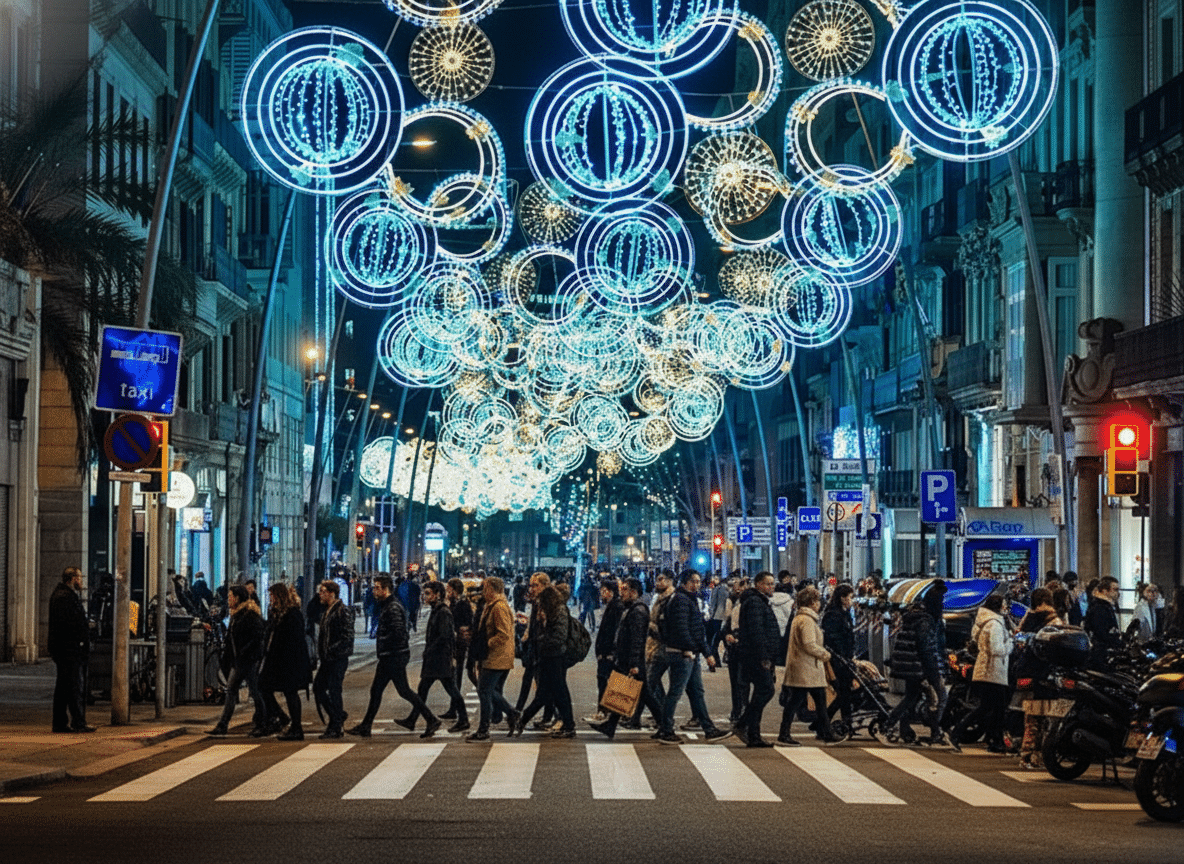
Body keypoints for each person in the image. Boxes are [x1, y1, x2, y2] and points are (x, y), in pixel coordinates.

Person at [348, 576, 439, 738]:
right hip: (391, 655)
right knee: (382, 691)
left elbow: (398, 632)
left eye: (376, 587)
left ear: (385, 589)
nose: (373, 590)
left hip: (393, 656)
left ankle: (431, 719)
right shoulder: (388, 605)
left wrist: (384, 642)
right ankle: (366, 725)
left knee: (400, 691)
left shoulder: (393, 607)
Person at [589, 578, 667, 739]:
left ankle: (666, 727)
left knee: (646, 696)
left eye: (624, 589)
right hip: (626, 659)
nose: (621, 593)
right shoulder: (631, 608)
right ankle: (610, 725)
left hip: (632, 661)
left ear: (633, 592)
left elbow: (637, 639)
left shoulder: (638, 610)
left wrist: (634, 663)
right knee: (625, 692)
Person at [652, 570, 719, 744]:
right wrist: (689, 649)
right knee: (675, 692)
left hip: (690, 653)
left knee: (697, 692)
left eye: (698, 581)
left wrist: (706, 653)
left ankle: (709, 729)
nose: (696, 585)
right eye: (693, 582)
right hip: (682, 654)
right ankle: (666, 729)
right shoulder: (681, 600)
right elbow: (682, 630)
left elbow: (697, 630)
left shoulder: (688, 599)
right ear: (683, 583)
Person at [394, 581, 469, 734]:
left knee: (451, 690)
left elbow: (444, 636)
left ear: (438, 595)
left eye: (428, 593)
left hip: (439, 659)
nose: (424, 596)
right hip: (436, 658)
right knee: (424, 689)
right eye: (424, 593)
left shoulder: (443, 612)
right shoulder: (437, 610)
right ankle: (414, 719)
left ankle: (461, 720)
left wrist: (430, 651)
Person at [951, 594, 1013, 753]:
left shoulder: (983, 621)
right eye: (1004, 605)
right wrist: (1010, 644)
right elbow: (996, 649)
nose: (1005, 608)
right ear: (998, 606)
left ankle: (993, 740)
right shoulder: (994, 624)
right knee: (994, 709)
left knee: (987, 707)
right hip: (993, 671)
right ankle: (958, 733)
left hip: (985, 669)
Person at [512, 585, 576, 738]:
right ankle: (522, 721)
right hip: (548, 657)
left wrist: (541, 638)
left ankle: (569, 726)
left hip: (555, 657)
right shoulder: (552, 611)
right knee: (544, 694)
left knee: (559, 693)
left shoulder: (559, 611)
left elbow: (558, 637)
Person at [777, 586, 836, 746]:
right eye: (817, 601)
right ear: (812, 602)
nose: (819, 604)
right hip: (807, 668)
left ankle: (826, 732)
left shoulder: (800, 618)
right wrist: (825, 654)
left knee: (818, 702)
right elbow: (809, 644)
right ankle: (785, 733)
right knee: (799, 702)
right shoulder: (807, 620)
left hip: (805, 668)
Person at [209, 585, 267, 737]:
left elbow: (258, 637)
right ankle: (222, 725)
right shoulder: (235, 615)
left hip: (249, 660)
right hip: (239, 661)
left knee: (255, 692)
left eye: (230, 597)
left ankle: (262, 723)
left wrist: (245, 652)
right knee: (232, 690)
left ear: (238, 598)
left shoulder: (249, 615)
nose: (228, 600)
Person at [468, 576, 520, 741]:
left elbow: (503, 633)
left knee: (484, 690)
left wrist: (487, 643)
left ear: (491, 589)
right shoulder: (493, 605)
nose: (483, 591)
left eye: (485, 588)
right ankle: (510, 714)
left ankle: (486, 728)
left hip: (497, 656)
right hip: (495, 656)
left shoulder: (499, 607)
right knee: (489, 691)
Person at [733, 571, 781, 747]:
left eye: (772, 583)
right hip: (755, 656)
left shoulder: (760, 601)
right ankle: (742, 724)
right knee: (766, 690)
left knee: (760, 692)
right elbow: (757, 632)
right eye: (768, 584)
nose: (771, 587)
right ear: (758, 584)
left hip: (758, 655)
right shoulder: (754, 602)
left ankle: (754, 734)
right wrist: (764, 657)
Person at [1014, 588, 1061, 768]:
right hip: (1045, 672)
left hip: (1026, 670)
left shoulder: (1027, 618)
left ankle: (1026, 753)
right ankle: (1038, 755)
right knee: (1047, 717)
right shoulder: (1054, 621)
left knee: (1031, 717)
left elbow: (1019, 640)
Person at [259, 582, 312, 740]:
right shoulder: (278, 613)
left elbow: (293, 640)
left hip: (289, 662)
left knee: (290, 693)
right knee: (263, 686)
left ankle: (296, 727)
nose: (271, 599)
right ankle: (284, 718)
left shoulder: (292, 614)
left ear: (279, 596)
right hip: (278, 660)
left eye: (272, 595)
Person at [48, 566, 93, 733]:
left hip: (66, 648)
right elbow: (69, 624)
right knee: (73, 687)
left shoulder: (64, 595)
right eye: (80, 578)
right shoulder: (64, 597)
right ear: (73, 579)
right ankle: (77, 722)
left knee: (64, 687)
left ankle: (61, 723)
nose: (81, 582)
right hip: (68, 649)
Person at [312, 580, 354, 739]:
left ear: (331, 593)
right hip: (327, 659)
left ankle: (336, 725)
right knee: (318, 688)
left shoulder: (342, 611)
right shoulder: (327, 610)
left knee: (335, 690)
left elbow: (347, 637)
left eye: (323, 591)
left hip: (337, 658)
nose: (320, 594)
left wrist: (332, 650)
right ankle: (337, 716)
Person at [821, 584, 857, 738]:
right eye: (850, 597)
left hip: (846, 659)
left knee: (846, 694)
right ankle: (822, 724)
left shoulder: (845, 614)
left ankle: (846, 724)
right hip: (838, 660)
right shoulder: (833, 615)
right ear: (842, 598)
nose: (851, 601)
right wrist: (842, 656)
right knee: (842, 693)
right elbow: (833, 639)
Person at [590, 579, 624, 721]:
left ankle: (605, 711)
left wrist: (609, 652)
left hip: (608, 653)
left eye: (603, 591)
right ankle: (611, 712)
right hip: (605, 652)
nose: (601, 595)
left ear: (610, 592)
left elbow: (614, 631)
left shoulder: (616, 607)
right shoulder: (612, 606)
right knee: (607, 681)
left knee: (605, 681)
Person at [442, 578, 474, 717]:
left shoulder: (462, 604)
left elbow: (466, 623)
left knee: (456, 676)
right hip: (455, 644)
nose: (447, 592)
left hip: (458, 645)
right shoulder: (454, 603)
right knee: (455, 676)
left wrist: (460, 630)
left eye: (448, 589)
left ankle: (456, 710)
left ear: (454, 590)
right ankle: (453, 709)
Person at [1083, 576, 1122, 663]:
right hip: (1101, 654)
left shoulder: (1106, 605)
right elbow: (1101, 632)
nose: (1117, 593)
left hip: (1104, 651)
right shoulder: (1099, 607)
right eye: (1115, 589)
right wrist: (1116, 642)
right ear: (1105, 591)